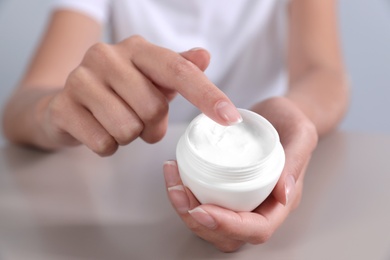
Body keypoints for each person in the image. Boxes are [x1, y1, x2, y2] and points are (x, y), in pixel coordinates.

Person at [1, 0, 349, 252]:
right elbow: (20, 108)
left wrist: (295, 111)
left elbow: (326, 74)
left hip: (262, 151)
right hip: (137, 184)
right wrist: (56, 112)